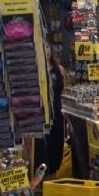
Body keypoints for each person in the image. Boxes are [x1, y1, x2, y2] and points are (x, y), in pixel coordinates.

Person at [43, 41, 66, 180]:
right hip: (44, 114)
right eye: (43, 47)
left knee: (58, 145)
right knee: (47, 148)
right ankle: (47, 179)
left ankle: (54, 177)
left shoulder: (59, 69)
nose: (46, 50)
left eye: (47, 46)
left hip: (58, 112)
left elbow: (64, 91)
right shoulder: (38, 70)